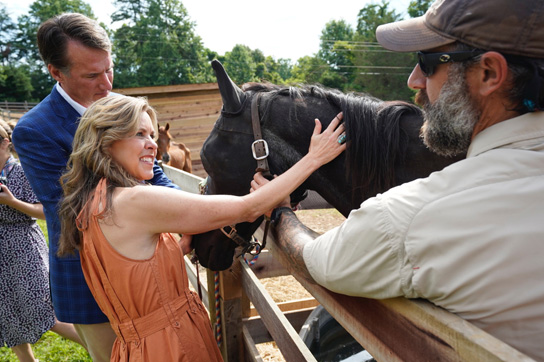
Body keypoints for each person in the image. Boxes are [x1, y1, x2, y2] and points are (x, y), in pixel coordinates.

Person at [251, 0, 544, 360]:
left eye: (427, 62)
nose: (414, 81)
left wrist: (281, 213)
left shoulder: (413, 217)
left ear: (489, 74)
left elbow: (314, 258)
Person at [55, 95, 345, 361]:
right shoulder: (134, 200)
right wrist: (314, 158)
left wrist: (182, 242)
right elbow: (249, 207)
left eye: (153, 135)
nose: (153, 145)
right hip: (173, 346)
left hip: (139, 348)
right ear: (106, 142)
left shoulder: (93, 204)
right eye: (139, 134)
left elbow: (138, 269)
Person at [11, 13, 178, 362]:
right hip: (92, 276)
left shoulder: (119, 108)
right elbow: (71, 206)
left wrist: (189, 212)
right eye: (91, 75)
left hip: (150, 267)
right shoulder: (35, 130)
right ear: (56, 72)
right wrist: (165, 215)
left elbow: (154, 173)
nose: (106, 84)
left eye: (109, 69)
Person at [0, 124, 84, 362]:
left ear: (6, 143)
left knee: (44, 309)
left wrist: (12, 202)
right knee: (6, 312)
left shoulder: (22, 172)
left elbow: (46, 212)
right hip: (1, 254)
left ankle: (104, 350)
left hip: (23, 248)